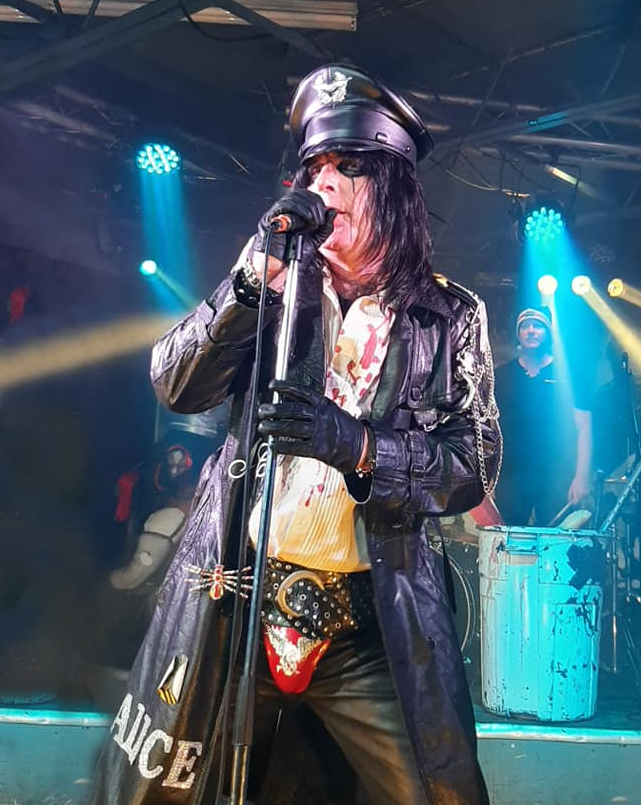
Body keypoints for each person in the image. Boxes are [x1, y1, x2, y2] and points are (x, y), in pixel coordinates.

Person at [91, 64, 501, 805]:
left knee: (438, 794)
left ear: (394, 190)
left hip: (372, 624)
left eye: (349, 168)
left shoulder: (447, 317)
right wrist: (250, 286)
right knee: (166, 791)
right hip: (237, 607)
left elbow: (470, 464)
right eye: (315, 167)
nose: (324, 184)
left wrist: (359, 446)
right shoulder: (272, 287)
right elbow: (176, 384)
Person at [494, 306, 592, 527]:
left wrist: (582, 476)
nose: (531, 331)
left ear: (548, 332)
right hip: (512, 475)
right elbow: (489, 428)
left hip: (556, 472)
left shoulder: (570, 375)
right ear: (518, 333)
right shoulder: (501, 375)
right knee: (507, 538)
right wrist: (488, 479)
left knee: (555, 540)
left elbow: (584, 428)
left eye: (537, 326)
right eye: (525, 326)